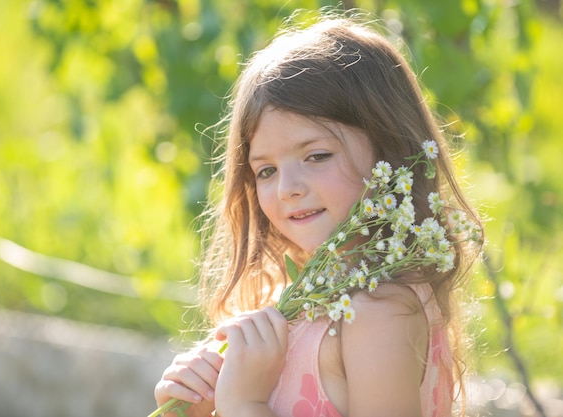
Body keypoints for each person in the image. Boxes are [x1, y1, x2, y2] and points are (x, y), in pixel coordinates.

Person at [154, 10, 482, 417]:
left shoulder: (379, 314)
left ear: (388, 151)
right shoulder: (290, 304)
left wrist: (243, 403)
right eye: (266, 170)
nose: (287, 188)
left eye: (317, 156)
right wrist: (197, 406)